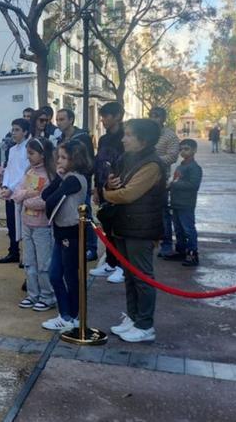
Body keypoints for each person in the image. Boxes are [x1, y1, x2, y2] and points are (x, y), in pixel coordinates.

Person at [104, 118, 167, 343]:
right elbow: (116, 185)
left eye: (129, 135)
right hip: (125, 225)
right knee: (130, 276)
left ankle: (145, 324)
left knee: (142, 277)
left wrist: (106, 194)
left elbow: (128, 194)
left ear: (143, 140)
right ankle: (133, 317)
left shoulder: (151, 165)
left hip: (141, 228)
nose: (124, 138)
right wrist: (109, 185)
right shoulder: (129, 159)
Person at [41, 140, 92, 332]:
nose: (59, 162)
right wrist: (57, 179)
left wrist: (59, 181)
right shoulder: (66, 177)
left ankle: (72, 316)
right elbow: (47, 193)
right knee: (55, 274)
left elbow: (50, 199)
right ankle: (67, 314)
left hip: (71, 234)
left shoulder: (74, 179)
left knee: (70, 277)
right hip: (61, 232)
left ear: (75, 159)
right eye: (58, 157)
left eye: (64, 158)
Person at [11, 137, 57, 311]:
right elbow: (17, 193)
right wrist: (29, 195)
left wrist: (25, 197)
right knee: (29, 262)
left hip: (42, 226)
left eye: (31, 153)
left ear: (43, 155)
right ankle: (33, 294)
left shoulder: (50, 176)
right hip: (27, 224)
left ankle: (47, 296)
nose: (28, 157)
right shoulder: (29, 172)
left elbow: (44, 202)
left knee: (44, 263)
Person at [90, 101, 126, 283]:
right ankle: (111, 263)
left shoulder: (127, 138)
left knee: (120, 229)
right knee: (108, 229)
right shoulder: (103, 139)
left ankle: (122, 266)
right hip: (104, 188)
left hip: (120, 190)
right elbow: (99, 164)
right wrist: (97, 187)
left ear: (117, 116)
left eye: (105, 116)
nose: (102, 120)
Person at [55, 108, 98, 261]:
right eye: (57, 119)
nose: (58, 122)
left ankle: (91, 247)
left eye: (62, 119)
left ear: (71, 120)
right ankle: (76, 244)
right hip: (64, 182)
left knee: (85, 214)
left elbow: (89, 161)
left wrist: (84, 179)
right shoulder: (59, 139)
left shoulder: (82, 137)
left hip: (80, 183)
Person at [163, 139, 203, 267]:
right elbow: (175, 181)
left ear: (194, 150)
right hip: (176, 203)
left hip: (186, 204)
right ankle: (181, 250)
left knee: (188, 229)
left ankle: (192, 253)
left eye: (186, 149)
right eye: (181, 149)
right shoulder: (181, 166)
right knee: (178, 229)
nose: (183, 152)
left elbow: (193, 185)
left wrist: (174, 184)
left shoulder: (195, 168)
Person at [0, 118, 30, 263]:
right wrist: (5, 186)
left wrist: (12, 188)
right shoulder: (12, 149)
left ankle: (26, 256)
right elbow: (9, 170)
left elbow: (25, 172)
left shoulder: (29, 149)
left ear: (25, 132)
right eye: (13, 130)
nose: (14, 133)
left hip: (22, 192)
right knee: (11, 223)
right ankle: (13, 251)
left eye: (17, 130)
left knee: (23, 225)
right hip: (10, 192)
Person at [149, 107, 179, 258]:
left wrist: (153, 161)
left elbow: (173, 156)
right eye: (151, 116)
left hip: (160, 180)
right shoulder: (145, 134)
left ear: (163, 118)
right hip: (142, 178)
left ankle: (166, 244)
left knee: (163, 212)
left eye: (157, 116)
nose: (153, 119)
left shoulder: (169, 136)